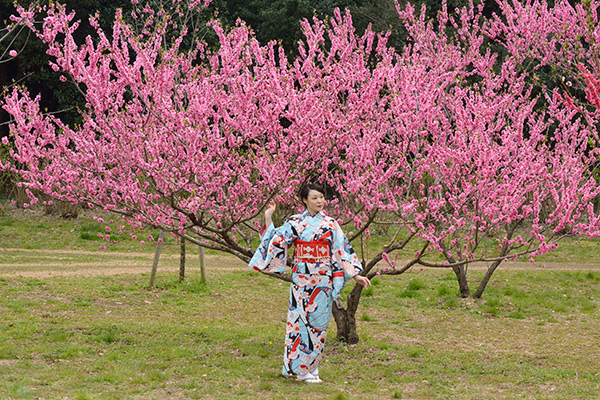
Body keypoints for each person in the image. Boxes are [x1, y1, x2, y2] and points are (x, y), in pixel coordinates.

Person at [249, 183, 371, 383]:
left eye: (321, 197)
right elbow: (276, 240)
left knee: (319, 324)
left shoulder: (331, 223)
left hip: (323, 280)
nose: (319, 201)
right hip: (301, 281)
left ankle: (312, 367)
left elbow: (341, 250)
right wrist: (268, 217)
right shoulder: (296, 222)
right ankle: (301, 370)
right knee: (300, 324)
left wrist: (355, 275)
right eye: (314, 198)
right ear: (305, 200)